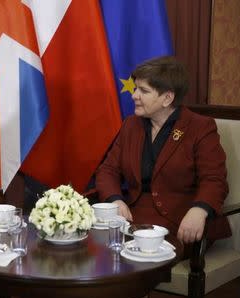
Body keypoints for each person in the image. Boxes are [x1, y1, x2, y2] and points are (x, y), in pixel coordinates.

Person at [96, 56, 231, 248]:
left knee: (135, 261)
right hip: (133, 220)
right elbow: (107, 171)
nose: (134, 95)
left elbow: (214, 179)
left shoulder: (200, 128)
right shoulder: (131, 125)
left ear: (167, 98)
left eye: (143, 90)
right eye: (135, 88)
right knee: (98, 248)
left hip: (180, 222)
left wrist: (199, 210)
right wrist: (115, 200)